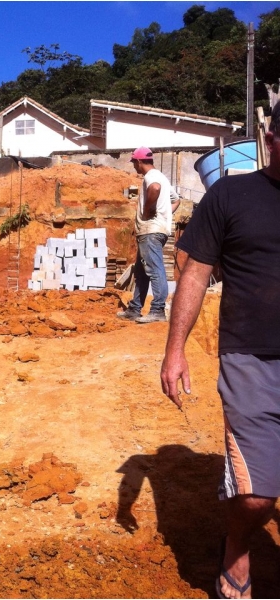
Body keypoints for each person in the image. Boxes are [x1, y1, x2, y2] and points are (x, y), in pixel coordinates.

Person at [161, 101, 280, 600]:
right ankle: (235, 544)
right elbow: (195, 271)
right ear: (271, 139)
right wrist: (175, 350)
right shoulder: (233, 194)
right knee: (258, 499)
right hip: (250, 358)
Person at [117, 147, 181, 323]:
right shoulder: (163, 176)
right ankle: (135, 308)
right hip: (156, 229)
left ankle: (158, 309)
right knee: (141, 272)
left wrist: (148, 209)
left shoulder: (151, 177)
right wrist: (165, 214)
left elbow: (155, 188)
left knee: (154, 269)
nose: (134, 167)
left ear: (139, 162)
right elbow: (176, 200)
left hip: (150, 231)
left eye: (134, 163)